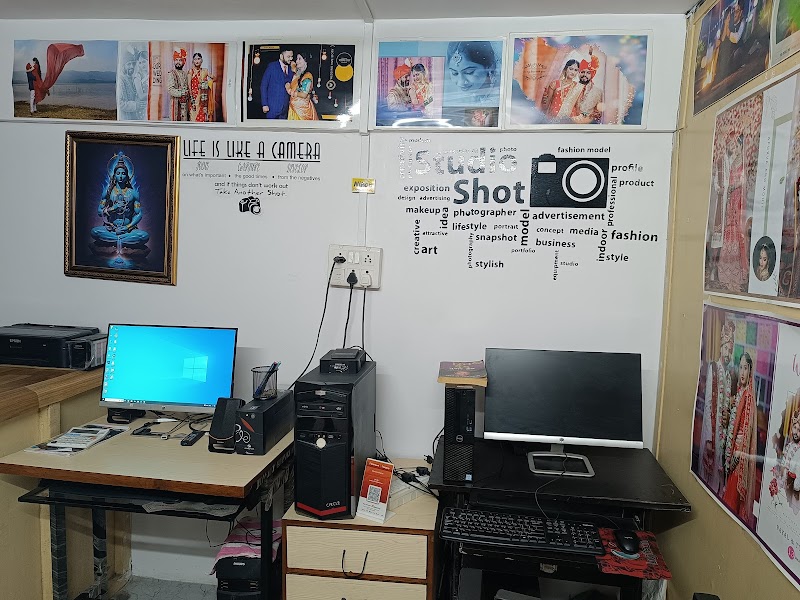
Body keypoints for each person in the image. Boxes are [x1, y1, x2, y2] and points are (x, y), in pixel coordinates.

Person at [722, 351, 758, 527]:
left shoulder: (748, 396)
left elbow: (745, 429)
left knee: (731, 501)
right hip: (732, 453)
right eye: (740, 367)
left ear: (750, 371)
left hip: (739, 457)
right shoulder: (740, 392)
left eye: (745, 368)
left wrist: (736, 453)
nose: (742, 372)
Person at [699, 319, 735, 495]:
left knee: (717, 479)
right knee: (707, 474)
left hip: (722, 435)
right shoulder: (713, 368)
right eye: (726, 349)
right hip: (711, 432)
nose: (728, 353)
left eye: (730, 350)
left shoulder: (728, 375)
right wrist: (708, 439)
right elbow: (708, 406)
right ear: (721, 348)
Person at [90, 153, 149, 250]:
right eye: (118, 174)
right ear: (114, 175)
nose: (121, 176)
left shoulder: (133, 193)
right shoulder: (108, 192)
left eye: (123, 173)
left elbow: (139, 214)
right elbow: (100, 212)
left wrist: (128, 227)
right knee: (94, 232)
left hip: (128, 231)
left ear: (127, 176)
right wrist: (113, 208)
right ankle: (122, 241)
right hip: (111, 229)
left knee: (144, 236)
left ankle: (115, 240)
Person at [716, 130, 749, 291]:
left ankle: (738, 271)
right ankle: (727, 269)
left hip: (738, 198)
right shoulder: (734, 160)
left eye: (738, 143)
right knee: (731, 231)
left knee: (738, 232)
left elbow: (743, 181)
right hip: (732, 199)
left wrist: (732, 187)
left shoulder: (744, 161)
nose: (736, 146)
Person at [445, 41, 499, 106]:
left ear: (490, 66)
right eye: (454, 73)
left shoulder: (500, 96)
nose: (461, 82)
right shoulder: (451, 97)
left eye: (469, 72)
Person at [716, 0, 746, 82]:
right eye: (734, 11)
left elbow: (736, 39)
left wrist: (728, 32)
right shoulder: (730, 21)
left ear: (741, 12)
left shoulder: (742, 22)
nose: (735, 14)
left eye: (737, 11)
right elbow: (722, 39)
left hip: (737, 50)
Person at [260, 49, 293, 119]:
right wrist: (264, 104)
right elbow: (264, 85)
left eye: (291, 56)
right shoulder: (272, 66)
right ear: (281, 56)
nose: (291, 59)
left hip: (285, 110)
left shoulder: (291, 69)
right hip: (271, 108)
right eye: (288, 56)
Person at [286, 53, 318, 121]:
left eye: (299, 59)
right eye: (297, 59)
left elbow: (304, 94)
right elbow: (293, 66)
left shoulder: (307, 76)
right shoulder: (298, 74)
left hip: (302, 112)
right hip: (294, 109)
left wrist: (289, 90)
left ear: (306, 61)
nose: (297, 61)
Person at [189, 52, 214, 122]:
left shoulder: (205, 71)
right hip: (193, 99)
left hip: (203, 99)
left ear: (202, 60)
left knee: (202, 118)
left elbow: (214, 78)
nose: (197, 61)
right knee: (193, 119)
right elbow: (189, 86)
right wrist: (192, 100)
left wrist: (205, 83)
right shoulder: (191, 71)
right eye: (195, 59)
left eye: (198, 59)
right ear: (193, 61)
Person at [167, 48, 190, 121]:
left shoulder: (185, 74)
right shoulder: (171, 73)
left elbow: (187, 87)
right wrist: (182, 93)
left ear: (183, 62)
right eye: (176, 60)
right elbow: (170, 90)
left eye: (180, 60)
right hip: (175, 104)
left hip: (184, 105)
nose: (178, 62)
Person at [118, 55, 140, 120]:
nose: (132, 66)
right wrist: (136, 105)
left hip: (135, 117)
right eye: (129, 64)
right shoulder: (121, 80)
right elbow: (120, 103)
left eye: (133, 64)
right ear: (123, 66)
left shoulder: (133, 78)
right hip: (126, 119)